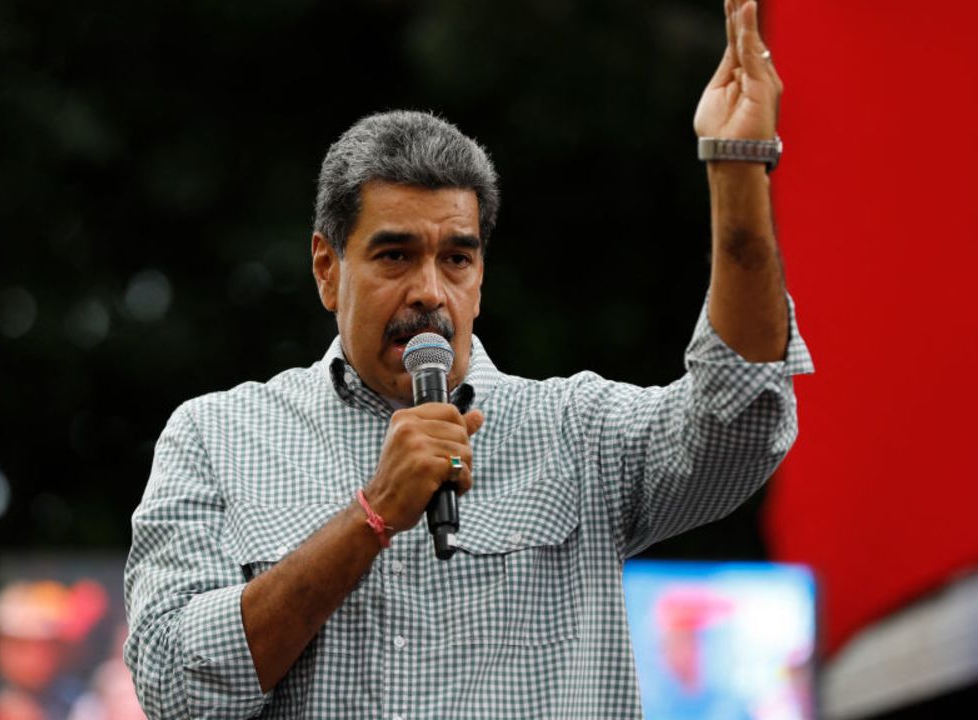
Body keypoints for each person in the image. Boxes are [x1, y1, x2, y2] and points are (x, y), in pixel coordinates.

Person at [124, 1, 811, 717]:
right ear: (327, 269)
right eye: (395, 255)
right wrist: (372, 516)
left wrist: (736, 174)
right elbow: (174, 687)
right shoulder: (216, 436)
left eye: (456, 258)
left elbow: (742, 418)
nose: (429, 292)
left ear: (480, 276)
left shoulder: (580, 432)